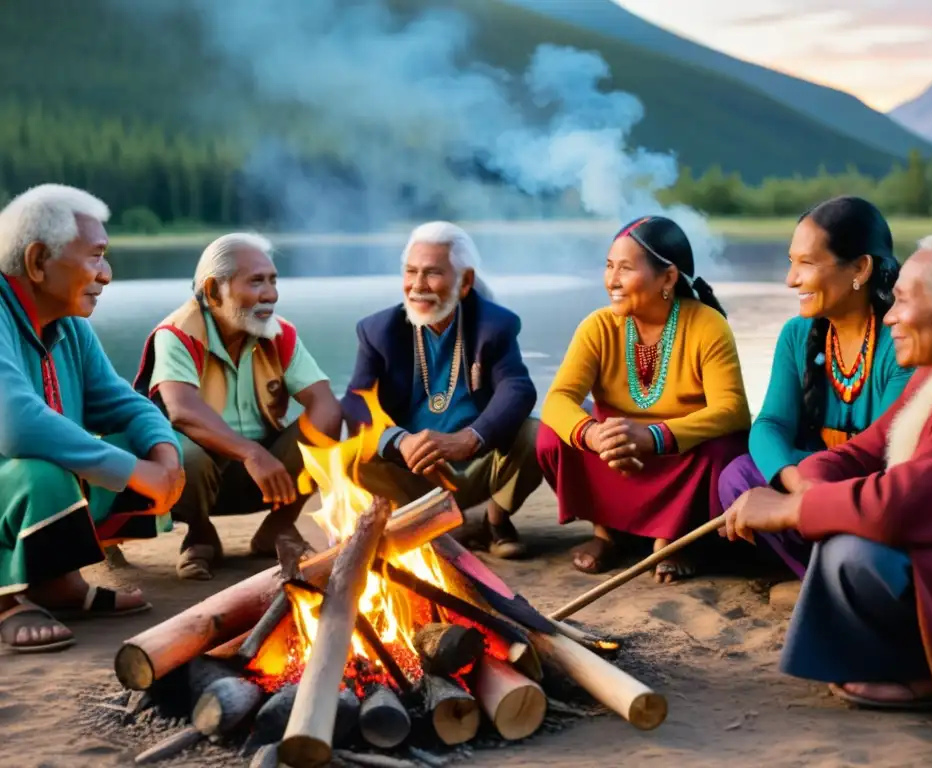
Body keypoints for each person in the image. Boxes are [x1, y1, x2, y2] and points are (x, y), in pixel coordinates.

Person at [721, 229, 932, 722]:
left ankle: (928, 673)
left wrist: (792, 508)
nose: (890, 317)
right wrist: (813, 484)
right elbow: (866, 451)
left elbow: (907, 504)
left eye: (903, 301)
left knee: (852, 552)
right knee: (831, 520)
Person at [0, 184, 185, 653]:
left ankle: (54, 584)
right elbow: (16, 424)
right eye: (96, 256)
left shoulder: (69, 326)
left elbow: (127, 404)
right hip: (17, 481)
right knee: (42, 474)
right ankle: (6, 601)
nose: (107, 274)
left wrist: (163, 457)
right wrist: (136, 473)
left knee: (131, 444)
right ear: (39, 261)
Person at [536, 215, 751, 583]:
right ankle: (605, 532)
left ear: (667, 278)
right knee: (551, 436)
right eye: (608, 267)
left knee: (724, 449)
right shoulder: (598, 326)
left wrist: (655, 437)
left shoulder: (707, 325)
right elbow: (557, 399)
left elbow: (733, 411)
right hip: (614, 450)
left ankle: (676, 538)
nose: (611, 280)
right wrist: (593, 435)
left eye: (625, 268)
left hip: (677, 454)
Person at [717, 196, 912, 578]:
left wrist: (812, 493)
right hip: (811, 485)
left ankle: (824, 582)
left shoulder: (902, 341)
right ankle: (819, 578)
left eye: (806, 263)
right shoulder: (797, 334)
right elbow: (770, 424)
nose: (791, 280)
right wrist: (796, 482)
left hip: (866, 492)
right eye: (792, 262)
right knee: (737, 477)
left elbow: (883, 454)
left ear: (860, 267)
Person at [134, 233, 341, 580]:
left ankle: (278, 526)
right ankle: (200, 534)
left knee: (329, 421)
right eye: (257, 281)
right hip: (198, 474)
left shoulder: (280, 334)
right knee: (186, 455)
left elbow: (324, 403)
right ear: (214, 291)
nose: (271, 294)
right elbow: (181, 409)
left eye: (273, 280)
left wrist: (259, 455)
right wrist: (251, 454)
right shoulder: (177, 333)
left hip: (266, 476)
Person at [342, 221, 541, 559]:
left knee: (537, 433)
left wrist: (471, 438)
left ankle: (495, 521)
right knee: (350, 458)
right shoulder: (378, 331)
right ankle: (439, 527)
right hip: (416, 469)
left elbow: (517, 388)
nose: (417, 286)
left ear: (465, 282)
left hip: (479, 461)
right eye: (411, 272)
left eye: (432, 273)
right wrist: (400, 441)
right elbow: (356, 403)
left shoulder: (496, 325)